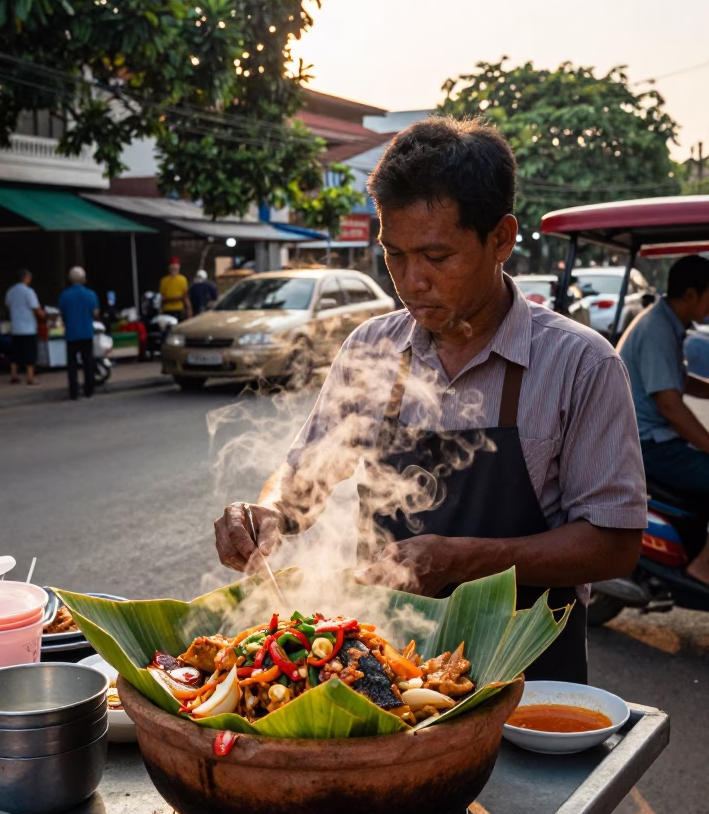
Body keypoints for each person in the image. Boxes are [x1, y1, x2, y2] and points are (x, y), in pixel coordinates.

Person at [215, 116, 647, 686]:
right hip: (384, 672)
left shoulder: (581, 364)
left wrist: (460, 559)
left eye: (437, 257)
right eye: (395, 255)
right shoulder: (371, 348)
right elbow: (305, 477)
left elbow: (614, 546)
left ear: (501, 238)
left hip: (530, 676)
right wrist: (266, 509)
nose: (412, 281)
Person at [618, 254, 709, 585]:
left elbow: (676, 379)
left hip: (654, 440)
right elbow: (670, 404)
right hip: (648, 446)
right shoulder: (657, 329)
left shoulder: (667, 323)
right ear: (690, 295)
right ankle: (703, 566)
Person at [58, 266, 99, 401]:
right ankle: (89, 389)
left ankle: (73, 392)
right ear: (84, 279)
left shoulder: (64, 295)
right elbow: (95, 313)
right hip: (87, 332)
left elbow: (62, 313)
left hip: (71, 333)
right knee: (88, 362)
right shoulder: (91, 294)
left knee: (72, 364)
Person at [4, 268, 43, 385]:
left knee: (15, 352)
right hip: (28, 328)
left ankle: (14, 375)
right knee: (30, 353)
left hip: (15, 327)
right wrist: (44, 315)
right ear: (25, 278)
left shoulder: (10, 291)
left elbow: (7, 305)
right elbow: (36, 308)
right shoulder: (28, 292)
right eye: (29, 278)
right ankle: (30, 377)